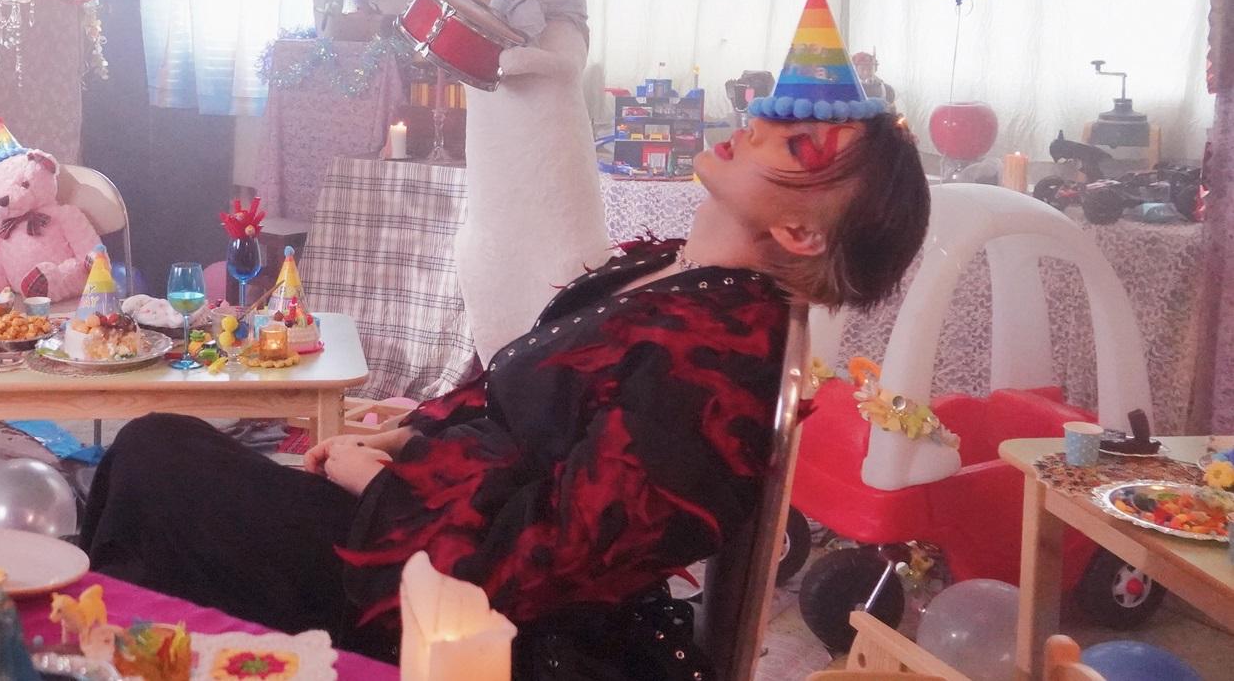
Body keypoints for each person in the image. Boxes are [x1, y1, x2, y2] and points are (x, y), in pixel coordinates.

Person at [78, 112, 931, 668]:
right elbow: (518, 398)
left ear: (798, 230)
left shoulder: (721, 360)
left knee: (158, 463)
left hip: (483, 617)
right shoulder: (664, 272)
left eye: (797, 146)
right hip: (429, 530)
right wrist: (406, 435)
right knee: (161, 454)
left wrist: (385, 489)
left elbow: (559, 556)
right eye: (778, 112)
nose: (760, 124)